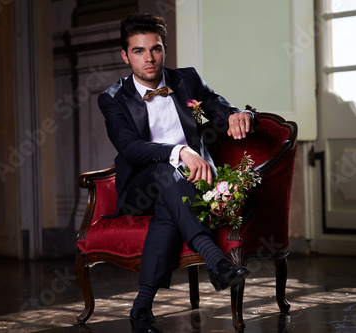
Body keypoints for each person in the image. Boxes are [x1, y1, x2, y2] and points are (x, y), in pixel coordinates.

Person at [98, 13, 257, 333]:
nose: (149, 58)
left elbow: (220, 108)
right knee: (163, 171)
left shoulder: (187, 80)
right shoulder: (112, 99)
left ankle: (142, 304)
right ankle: (215, 259)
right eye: (139, 51)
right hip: (141, 190)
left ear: (164, 49)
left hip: (191, 184)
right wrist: (179, 152)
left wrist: (242, 115)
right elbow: (129, 147)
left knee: (169, 206)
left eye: (155, 49)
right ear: (125, 55)